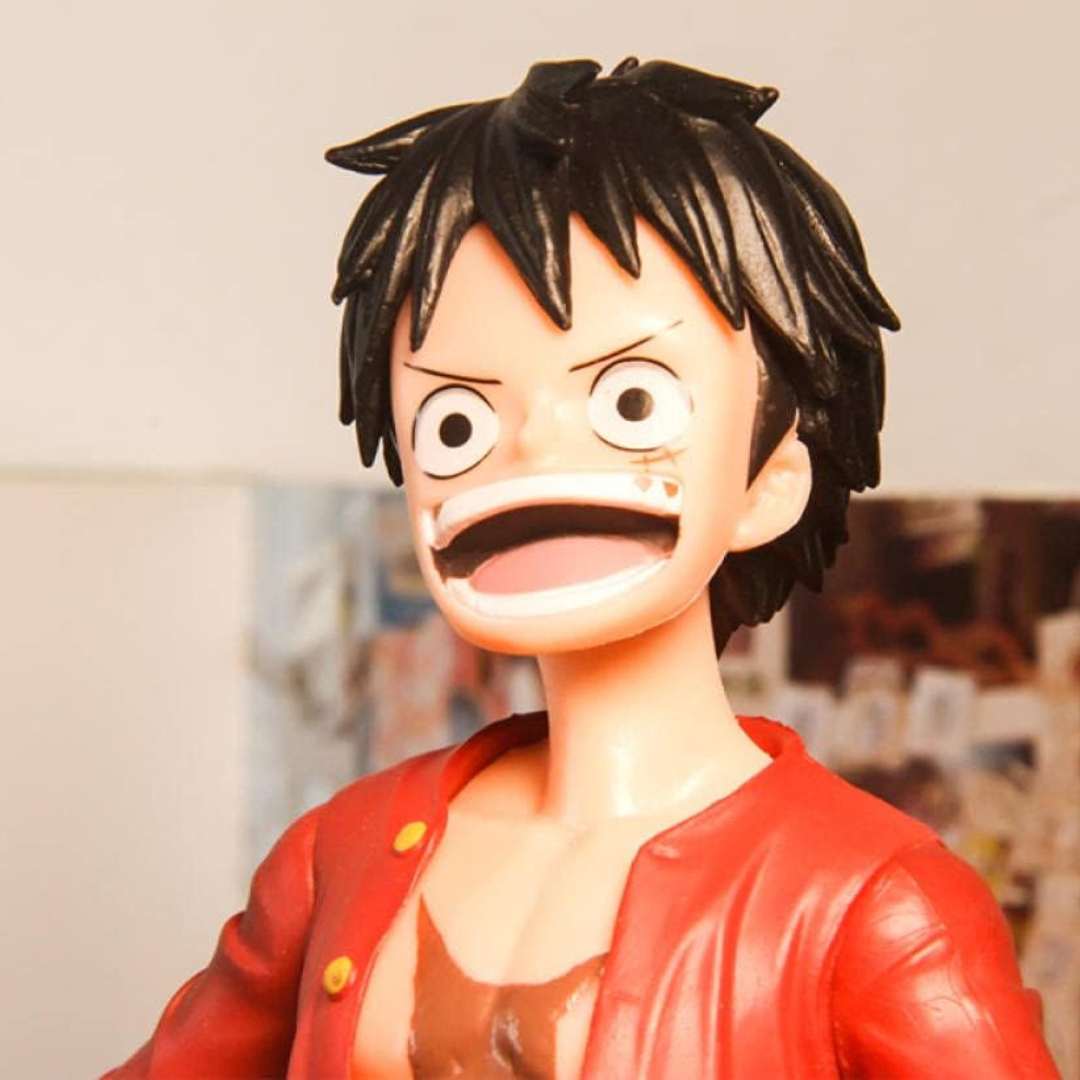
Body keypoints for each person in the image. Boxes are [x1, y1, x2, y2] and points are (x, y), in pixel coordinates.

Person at [107, 58, 1058, 1078]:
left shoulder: (874, 904)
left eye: (629, 404)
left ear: (770, 483)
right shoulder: (338, 855)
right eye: (457, 421)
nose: (530, 453)